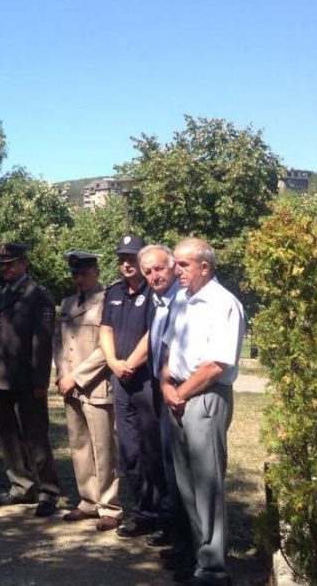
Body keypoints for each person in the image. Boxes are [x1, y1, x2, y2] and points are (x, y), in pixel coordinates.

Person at [161, 238, 246, 586]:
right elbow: (169, 347)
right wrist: (166, 385)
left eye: (182, 265)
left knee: (207, 484)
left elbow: (215, 365)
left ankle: (213, 568)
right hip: (177, 395)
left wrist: (179, 392)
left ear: (205, 267)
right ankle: (199, 558)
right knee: (186, 485)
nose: (174, 271)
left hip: (206, 397)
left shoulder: (223, 304)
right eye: (175, 264)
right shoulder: (181, 300)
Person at [0, 242, 60, 518]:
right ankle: (21, 485)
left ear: (25, 263)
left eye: (12, 263)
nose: (7, 268)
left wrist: (41, 381)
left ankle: (48, 491)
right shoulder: (0, 295)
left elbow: (43, 343)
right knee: (9, 437)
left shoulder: (38, 296)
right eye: (3, 264)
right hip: (3, 378)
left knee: (36, 438)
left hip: (29, 382)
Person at [98, 234, 165, 538]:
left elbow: (153, 334)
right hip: (121, 381)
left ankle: (161, 515)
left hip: (145, 382)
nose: (126, 263)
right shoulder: (114, 292)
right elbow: (106, 329)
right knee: (130, 451)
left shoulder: (155, 293)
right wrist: (113, 363)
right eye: (122, 258)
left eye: (132, 258)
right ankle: (142, 512)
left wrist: (130, 364)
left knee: (153, 450)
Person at [54, 250, 122, 531]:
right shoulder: (68, 302)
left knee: (103, 448)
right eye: (74, 274)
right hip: (70, 383)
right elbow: (58, 343)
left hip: (96, 385)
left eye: (83, 273)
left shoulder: (108, 301)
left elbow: (106, 349)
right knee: (79, 445)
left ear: (96, 271)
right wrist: (62, 373)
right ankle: (88, 500)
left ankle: (110, 506)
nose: (78, 279)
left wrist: (77, 377)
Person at [138, 244, 191, 561]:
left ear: (172, 266)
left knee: (186, 473)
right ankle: (179, 537)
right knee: (169, 469)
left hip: (183, 393)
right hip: (161, 391)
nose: (154, 275)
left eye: (159, 268)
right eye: (148, 271)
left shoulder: (184, 301)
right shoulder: (157, 302)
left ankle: (191, 546)